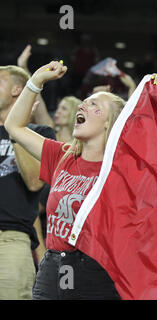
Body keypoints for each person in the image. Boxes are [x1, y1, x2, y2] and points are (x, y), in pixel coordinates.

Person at [4, 34, 157, 300]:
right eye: (85, 102)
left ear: (111, 123)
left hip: (99, 272)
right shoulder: (62, 155)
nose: (83, 104)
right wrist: (35, 82)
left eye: (95, 106)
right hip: (52, 270)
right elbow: (14, 127)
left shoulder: (122, 164)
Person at [0, 65, 56, 299]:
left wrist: (14, 130)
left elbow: (34, 182)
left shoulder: (40, 133)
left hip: (10, 239)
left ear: (16, 90)